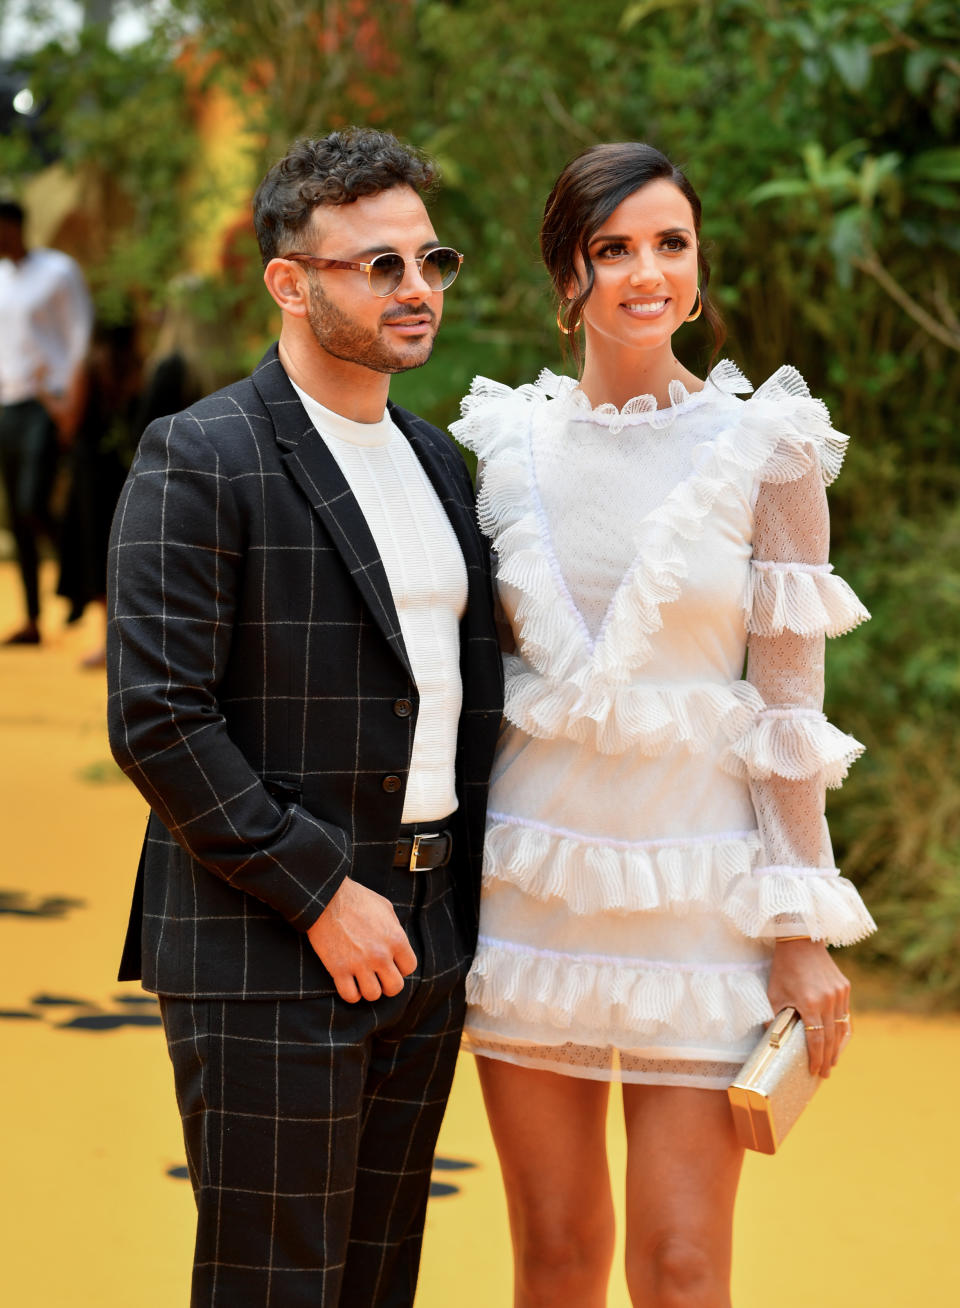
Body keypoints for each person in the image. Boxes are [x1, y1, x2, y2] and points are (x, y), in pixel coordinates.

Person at [450, 142, 876, 1308]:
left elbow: (792, 705)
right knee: (554, 1255)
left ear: (698, 265)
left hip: (706, 905)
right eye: (613, 248)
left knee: (685, 1268)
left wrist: (801, 924)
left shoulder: (770, 446)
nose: (647, 272)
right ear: (567, 275)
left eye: (670, 244)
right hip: (532, 894)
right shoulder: (498, 444)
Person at [106, 129, 503, 1307]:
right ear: (291, 281)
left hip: (428, 933)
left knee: (379, 1280)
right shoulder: (202, 452)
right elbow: (158, 718)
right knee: (274, 1287)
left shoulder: (439, 463)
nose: (417, 289)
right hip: (269, 935)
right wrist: (322, 892)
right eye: (379, 266)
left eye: (432, 261)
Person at [0, 199, 93, 644]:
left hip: (46, 402)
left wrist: (72, 404)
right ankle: (34, 619)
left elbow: (79, 336)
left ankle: (79, 579)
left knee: (33, 503)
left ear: (14, 226)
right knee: (17, 518)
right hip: (7, 404)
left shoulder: (57, 270)